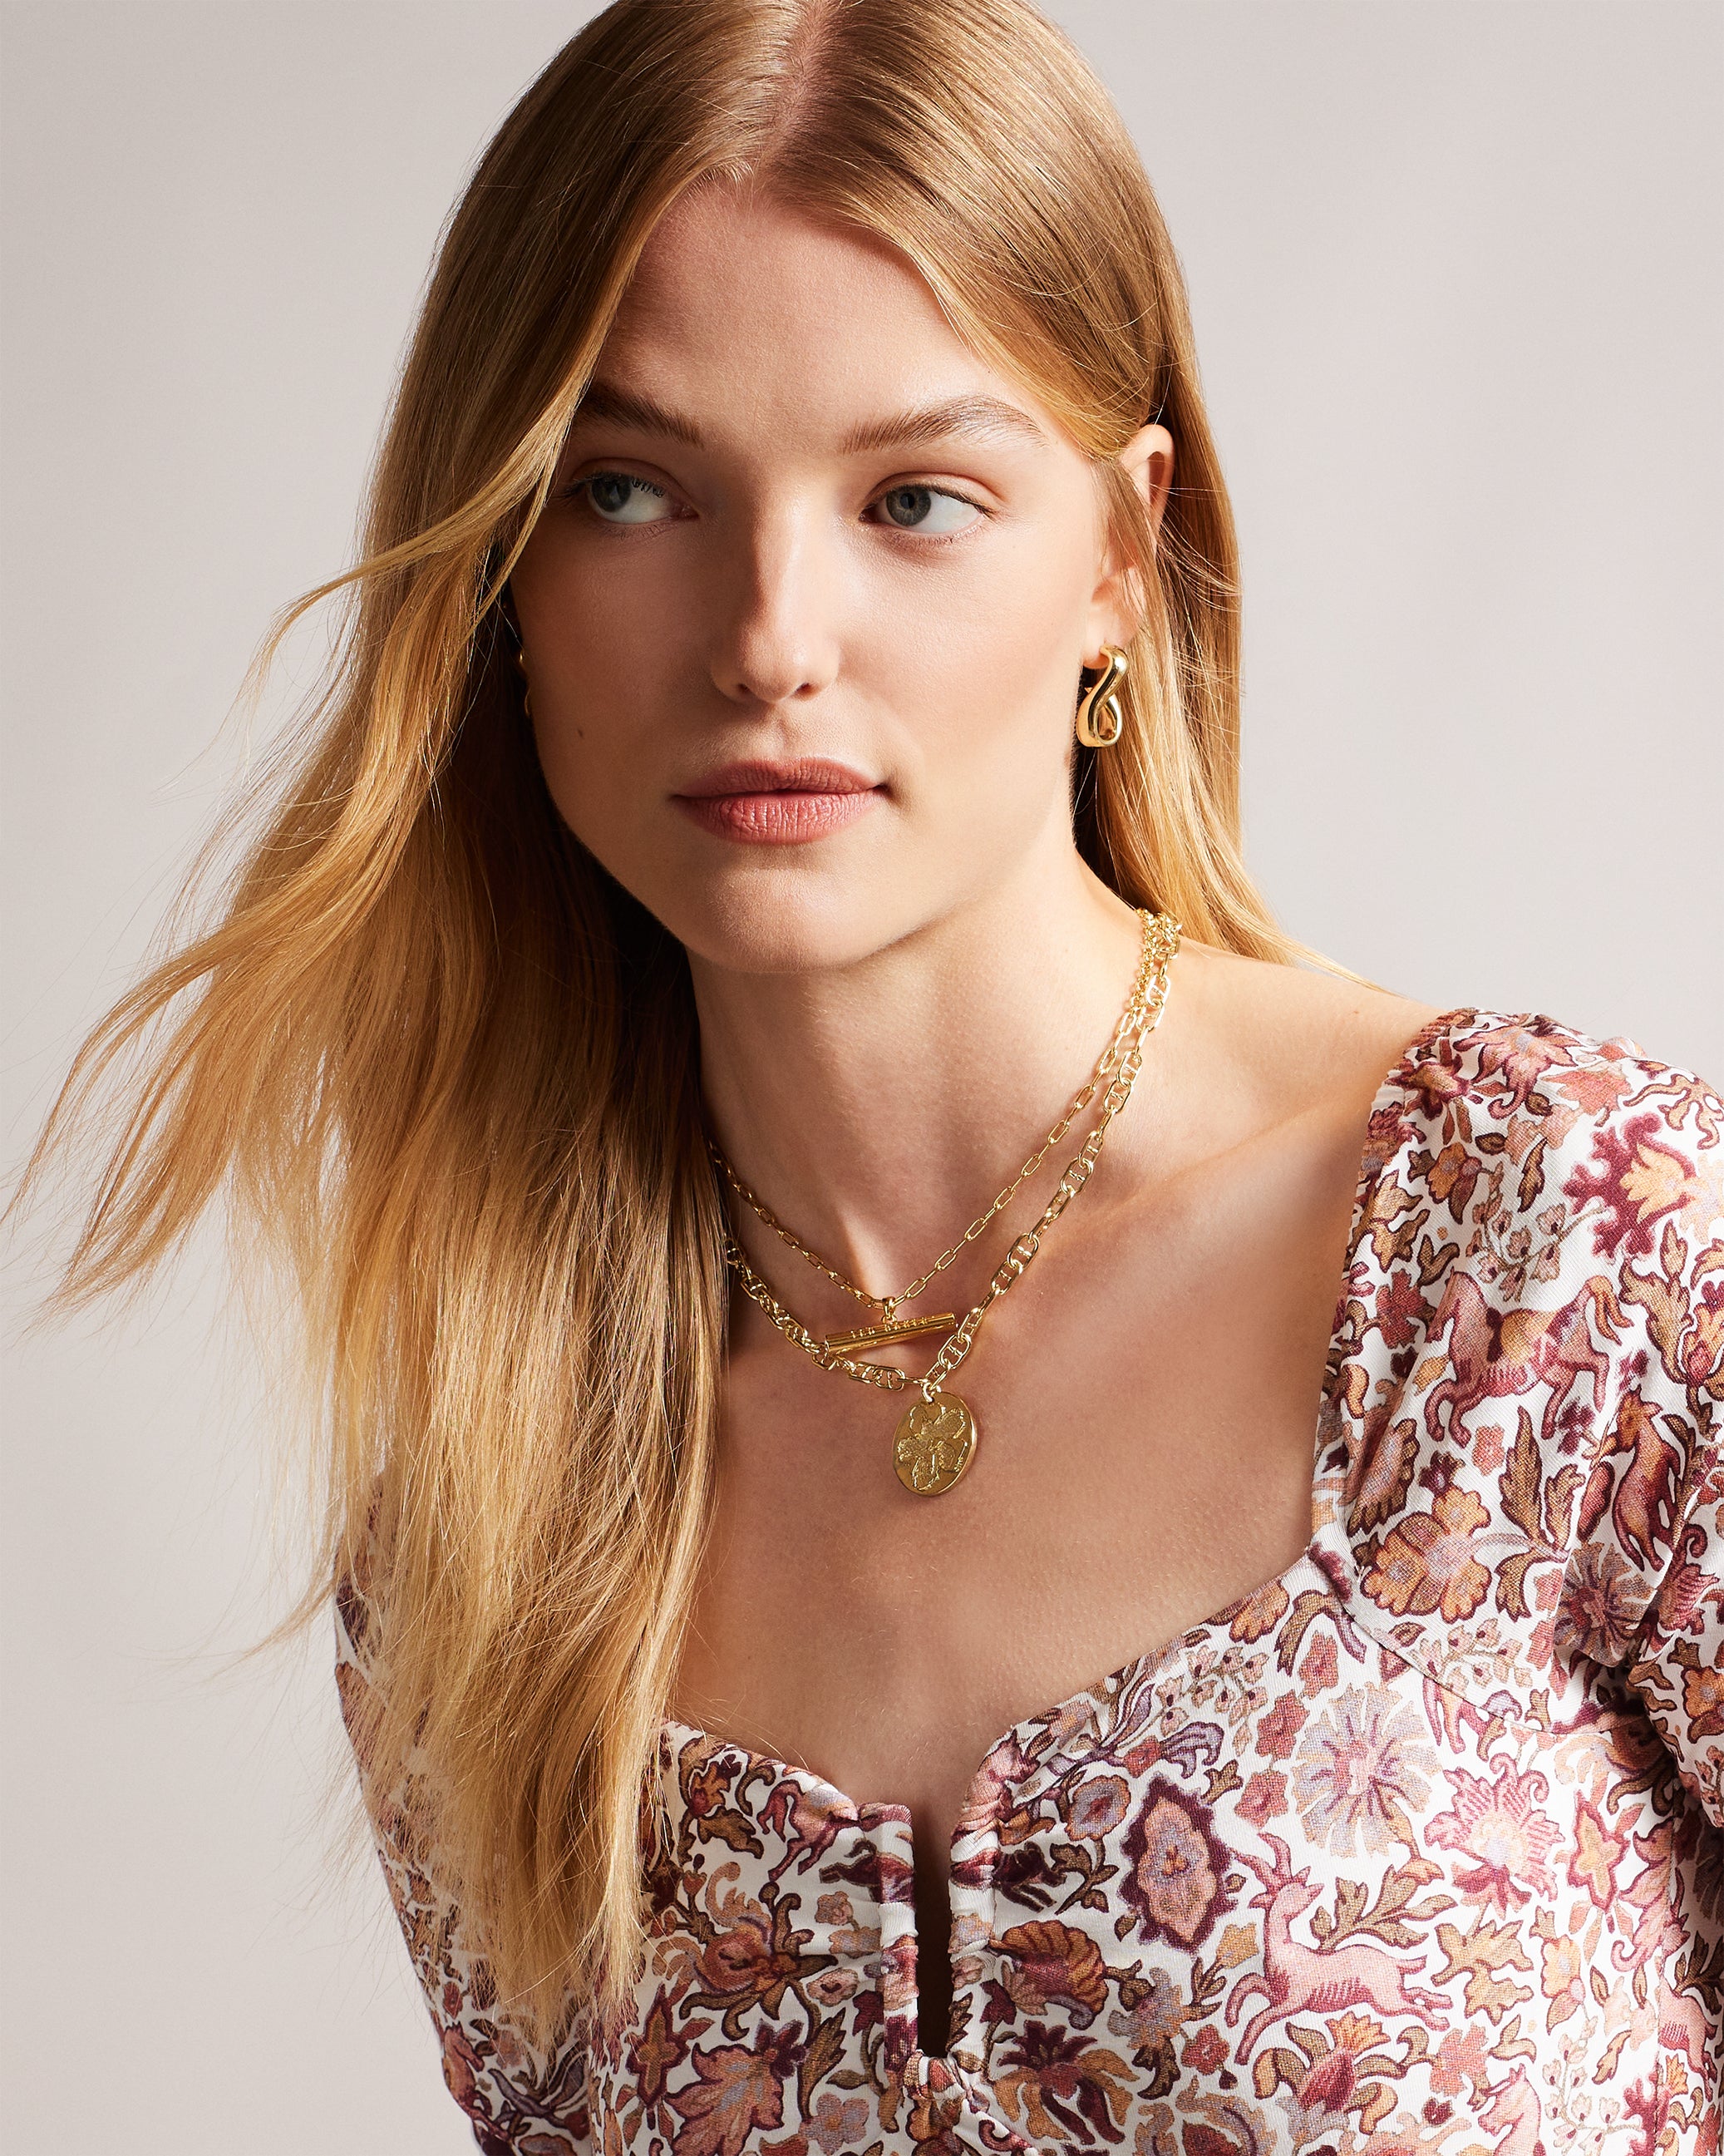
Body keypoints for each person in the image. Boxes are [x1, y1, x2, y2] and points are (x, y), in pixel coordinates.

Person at [22, 0, 1721, 2147]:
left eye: (914, 499)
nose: (768, 637)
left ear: (1116, 559)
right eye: (629, 490)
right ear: (504, 575)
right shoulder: (493, 1486)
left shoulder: (1555, 1260)